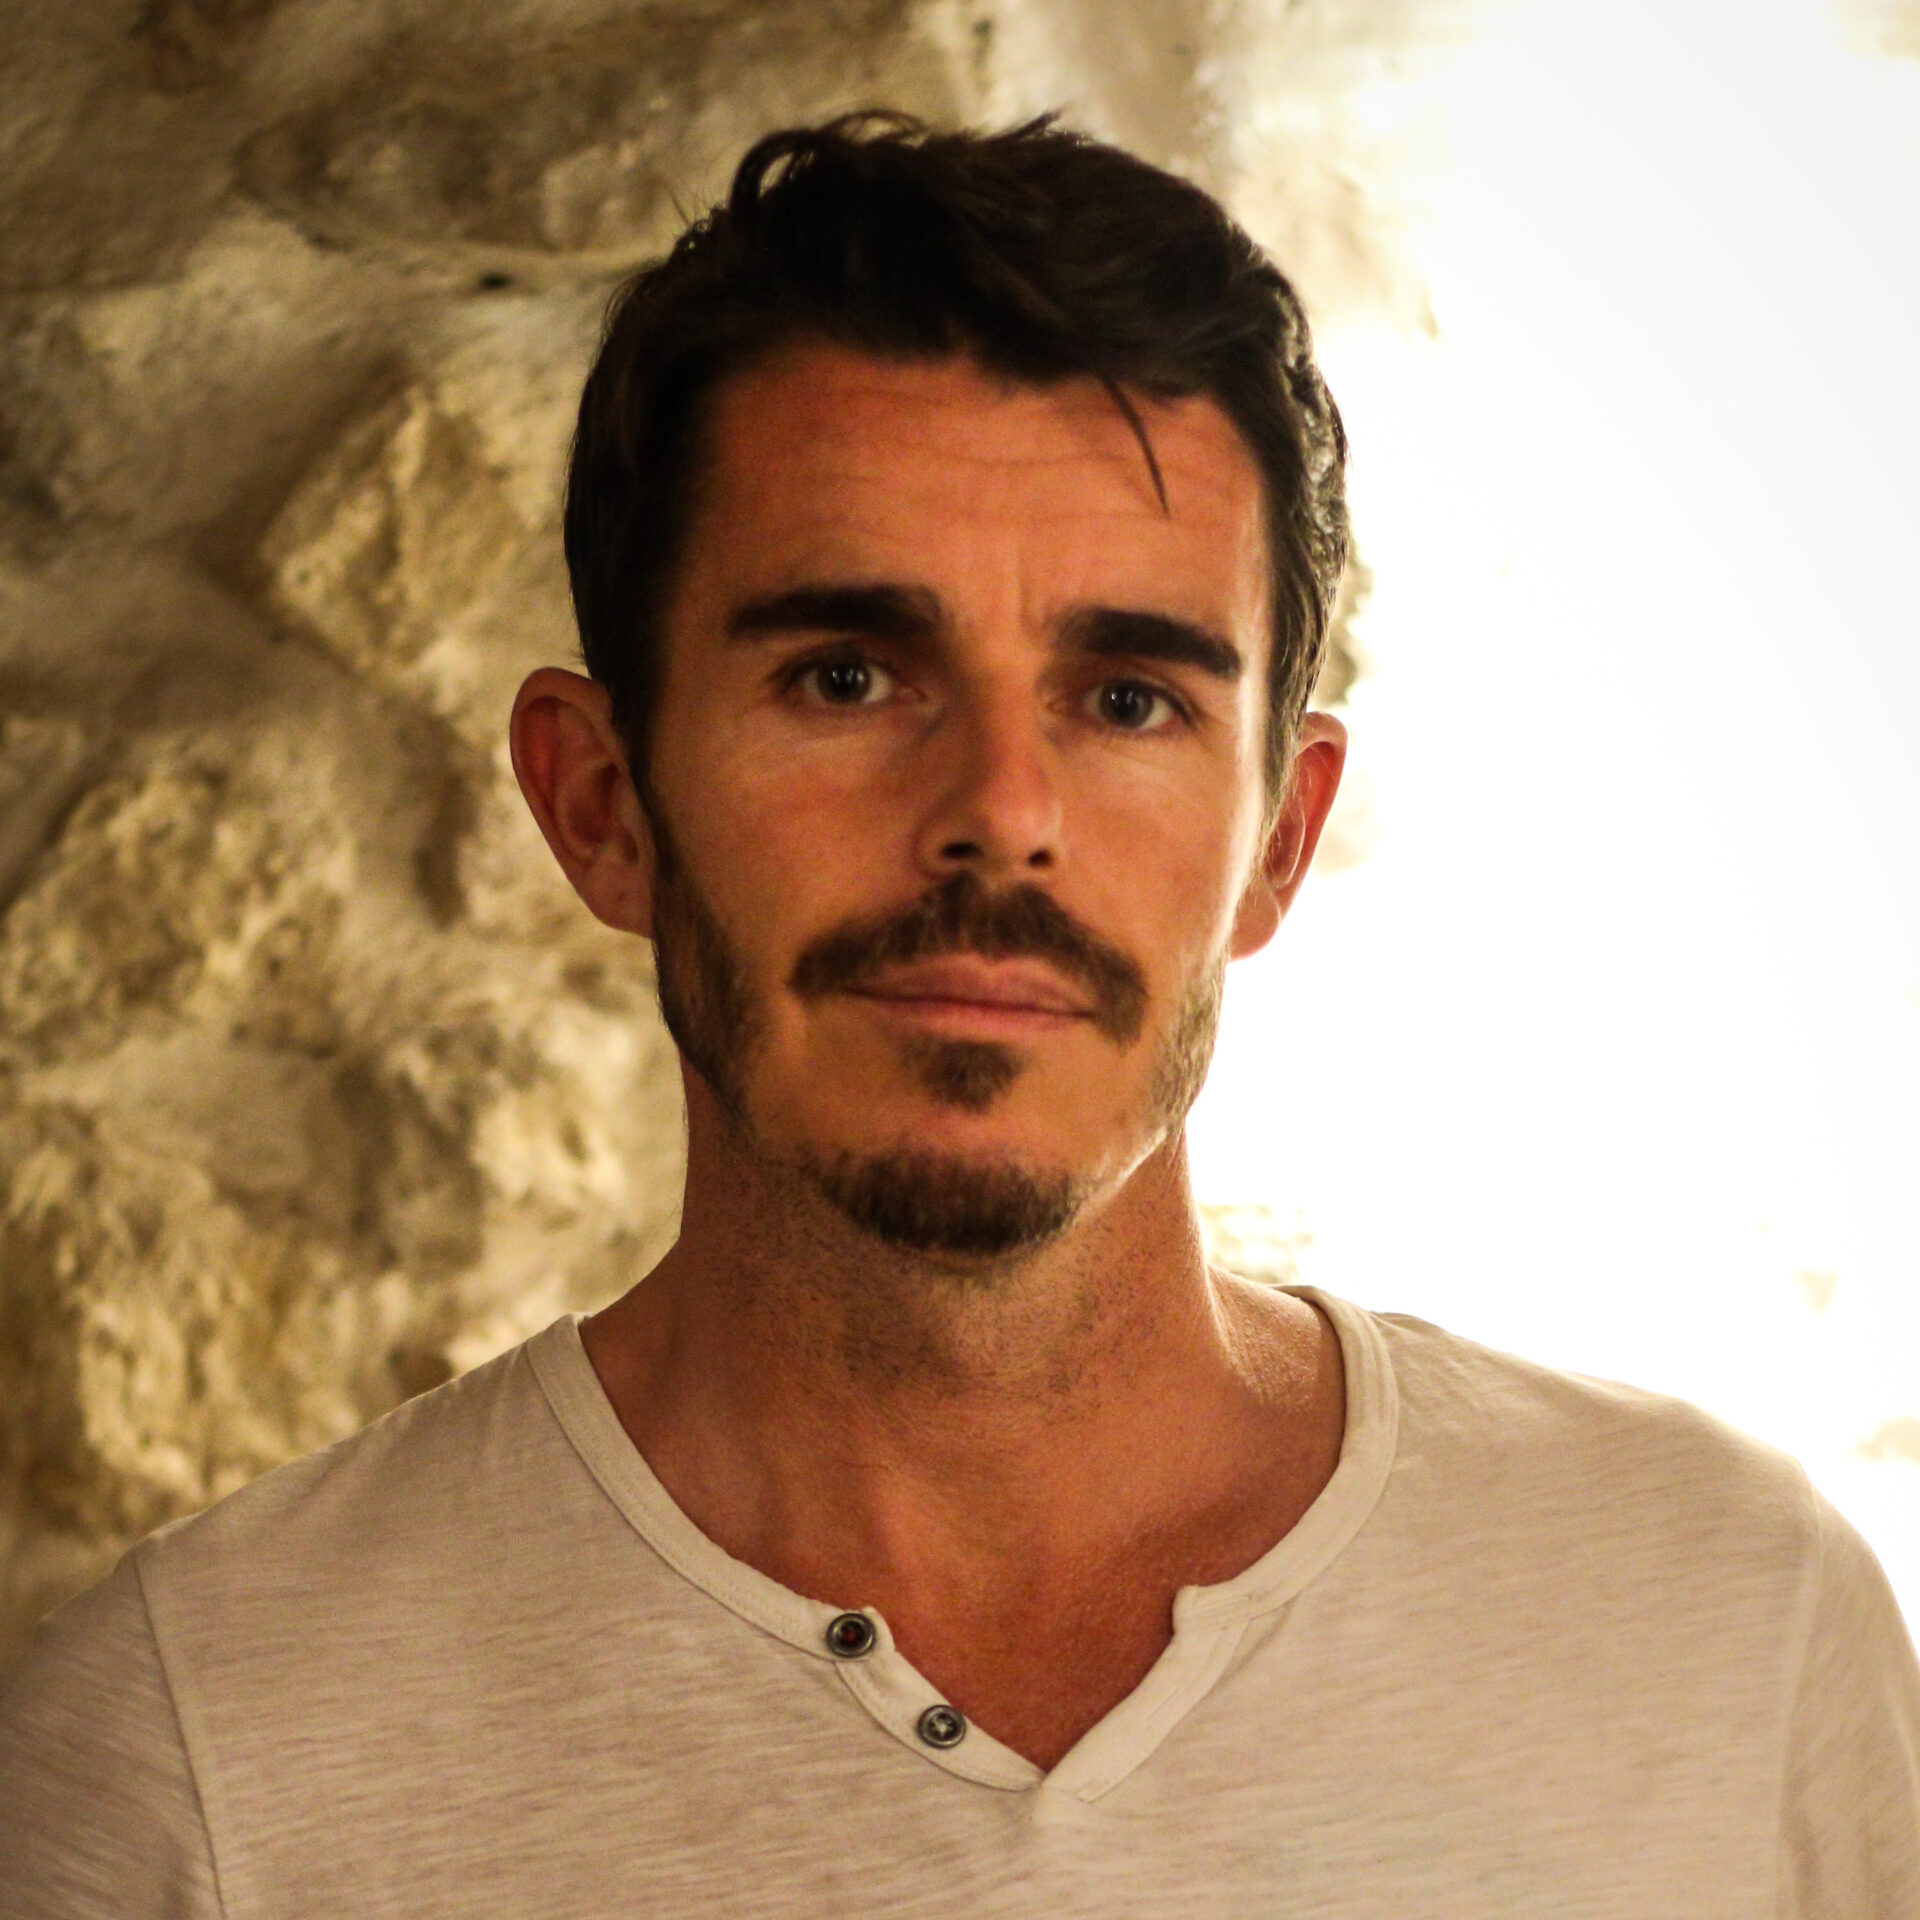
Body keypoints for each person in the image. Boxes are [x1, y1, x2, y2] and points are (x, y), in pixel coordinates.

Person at [2, 114, 1916, 1917]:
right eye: (846, 674)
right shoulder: (201, 1758)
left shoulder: (1729, 1635)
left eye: (1131, 698)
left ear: (1280, 841)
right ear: (601, 804)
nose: (1002, 808)